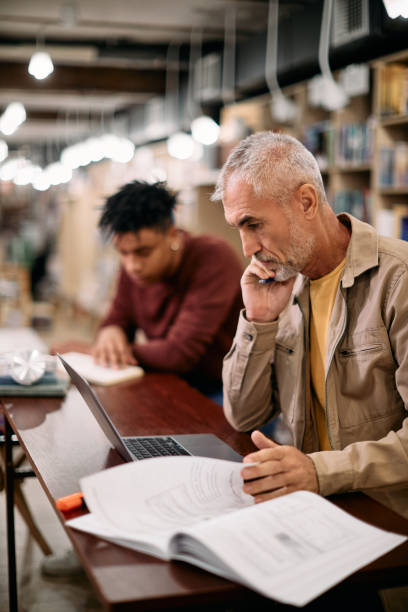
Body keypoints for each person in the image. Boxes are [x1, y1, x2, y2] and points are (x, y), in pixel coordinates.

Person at [211, 131, 408, 519]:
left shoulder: (398, 279)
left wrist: (320, 471)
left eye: (253, 224)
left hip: (387, 518)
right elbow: (243, 416)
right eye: (239, 228)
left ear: (306, 201)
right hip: (316, 508)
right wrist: (258, 320)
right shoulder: (283, 281)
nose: (247, 248)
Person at [92, 179, 243, 400]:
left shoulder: (213, 258)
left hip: (226, 389)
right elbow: (118, 317)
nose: (132, 265)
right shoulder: (133, 266)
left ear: (172, 235)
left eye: (143, 252)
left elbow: (179, 354)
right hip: (172, 381)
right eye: (123, 253)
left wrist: (114, 351)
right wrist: (111, 332)